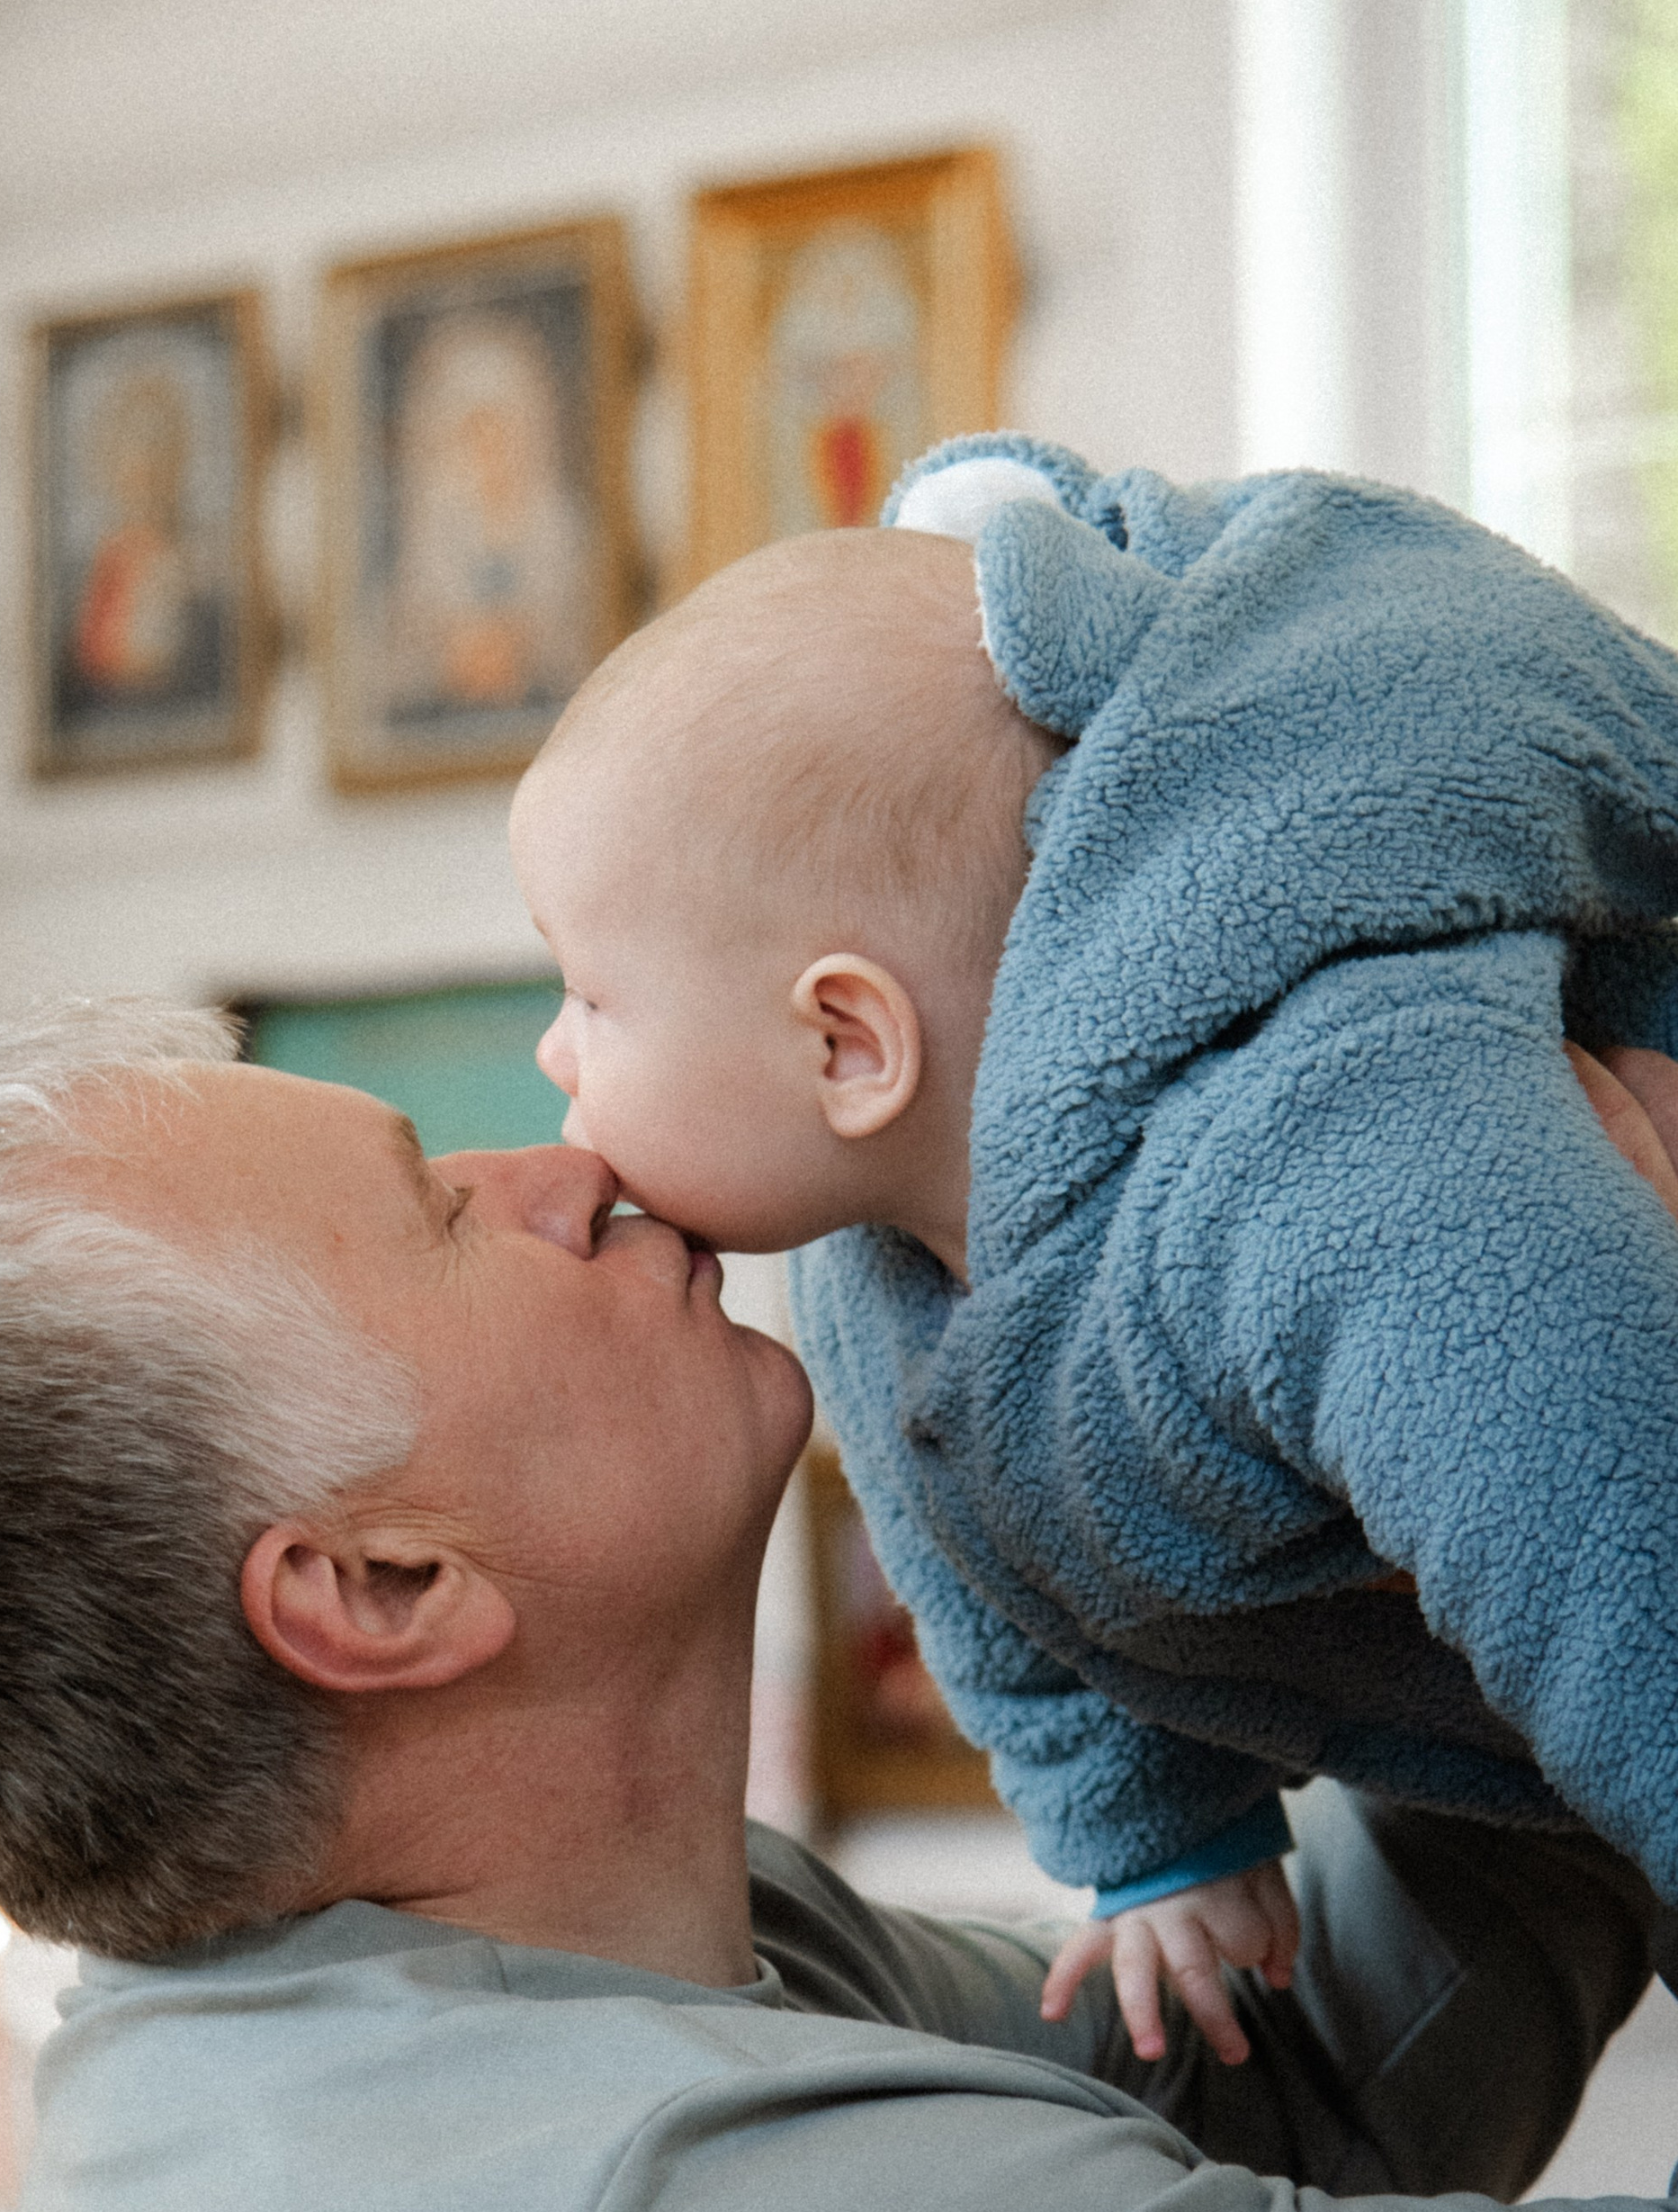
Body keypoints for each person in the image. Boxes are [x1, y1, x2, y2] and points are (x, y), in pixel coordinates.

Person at [0, 1002, 1678, 2212]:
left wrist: (1509, 1414)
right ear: (378, 1585)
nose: (566, 1165)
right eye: (441, 1209)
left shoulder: (466, 1979)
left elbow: (1303, 2087)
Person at [507, 438, 1678, 2059]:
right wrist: (1155, 1841)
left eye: (589, 996)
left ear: (847, 1044)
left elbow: (1615, 1534)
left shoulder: (1316, 1156)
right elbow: (986, 1578)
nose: (557, 1059)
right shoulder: (878, 1269)